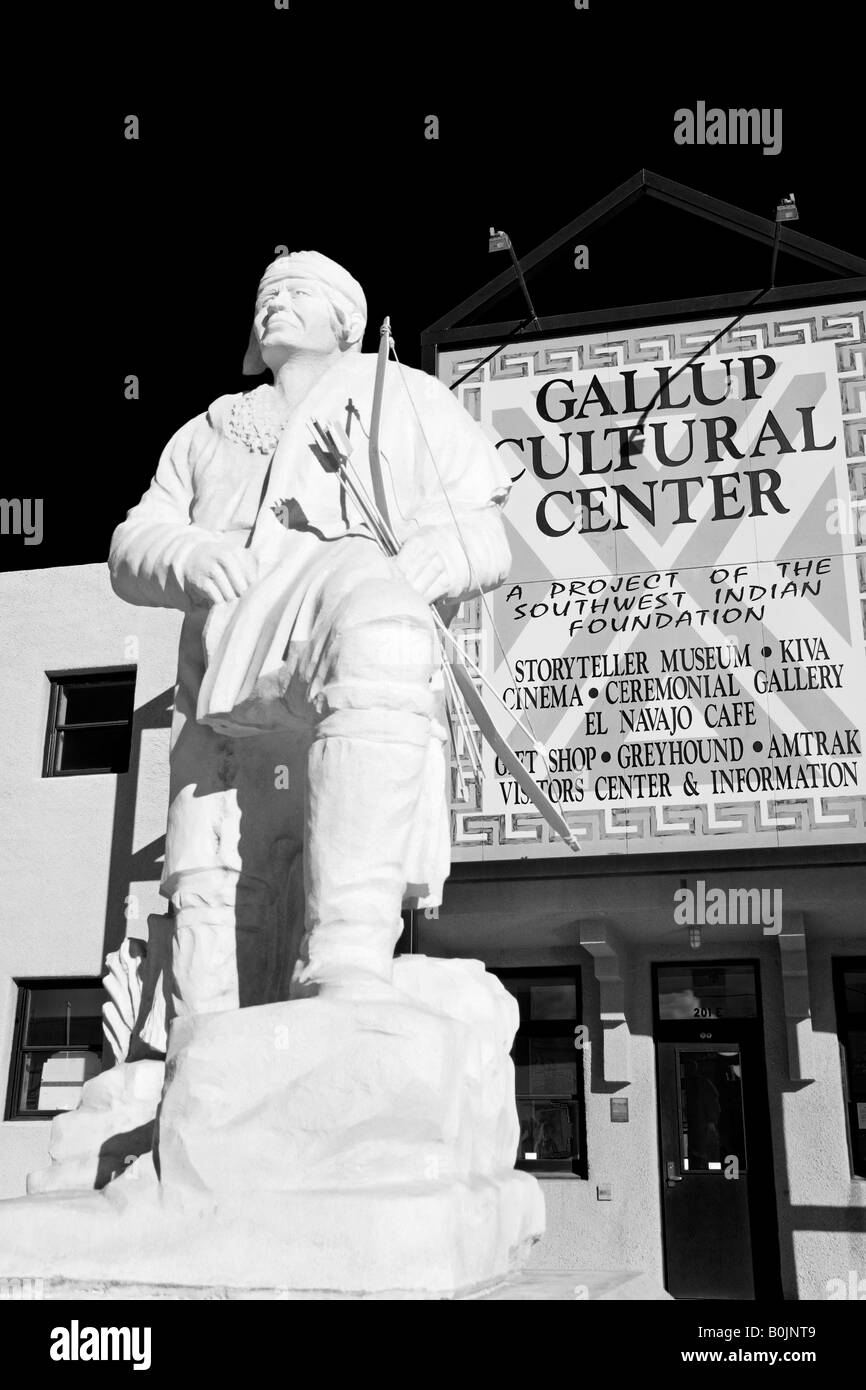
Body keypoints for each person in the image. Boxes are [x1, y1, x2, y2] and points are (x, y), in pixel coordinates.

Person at [109, 251, 511, 1019]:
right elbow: (132, 546)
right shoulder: (209, 429)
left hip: (339, 621)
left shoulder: (407, 399)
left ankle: (349, 956)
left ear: (348, 323)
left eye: (300, 294)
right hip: (229, 674)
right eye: (266, 297)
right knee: (220, 901)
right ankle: (201, 1071)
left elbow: (486, 528)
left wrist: (441, 553)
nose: (276, 305)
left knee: (384, 629)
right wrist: (188, 553)